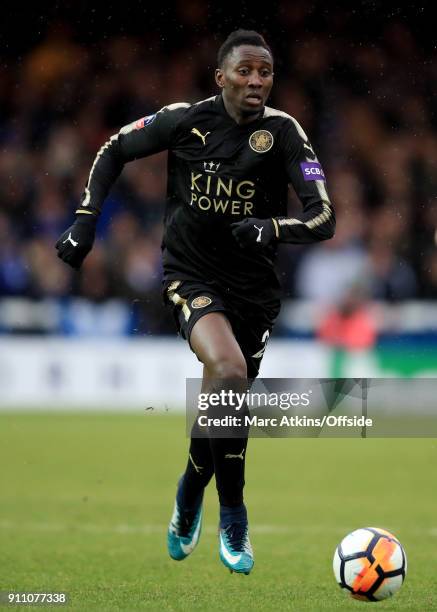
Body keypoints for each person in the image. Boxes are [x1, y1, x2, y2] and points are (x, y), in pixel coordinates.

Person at [56, 29, 335, 575]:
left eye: (265, 72)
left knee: (220, 409)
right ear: (221, 77)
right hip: (191, 276)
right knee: (228, 370)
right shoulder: (185, 120)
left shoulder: (284, 134)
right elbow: (114, 148)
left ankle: (190, 490)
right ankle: (234, 513)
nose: (256, 81)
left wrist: (272, 228)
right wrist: (85, 222)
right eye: (245, 71)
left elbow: (324, 216)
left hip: (253, 293)